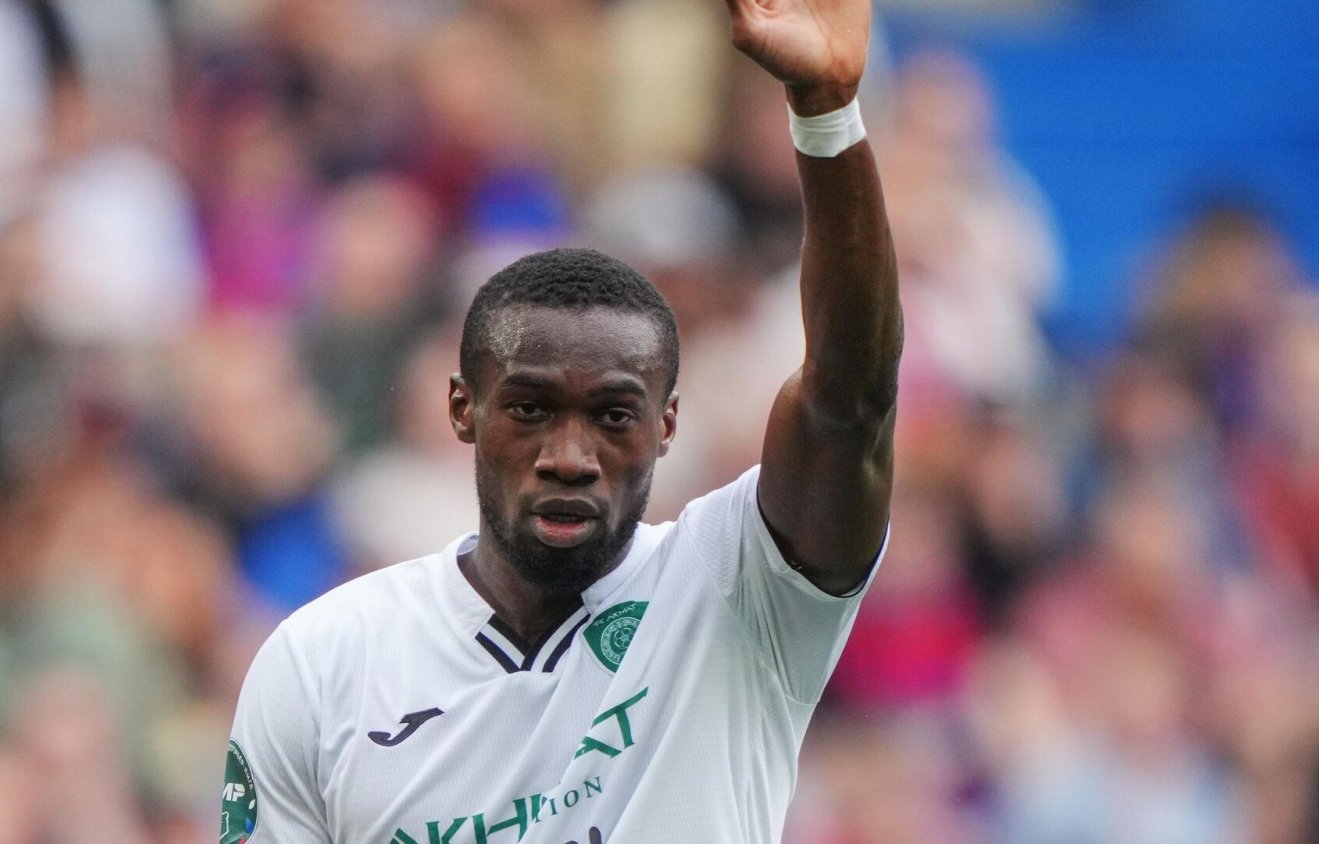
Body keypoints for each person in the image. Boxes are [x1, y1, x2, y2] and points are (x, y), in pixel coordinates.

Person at [222, 0, 900, 841]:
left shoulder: (737, 591)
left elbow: (851, 399)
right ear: (462, 410)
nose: (570, 455)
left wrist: (827, 115)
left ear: (667, 425)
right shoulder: (324, 661)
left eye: (613, 415)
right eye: (530, 409)